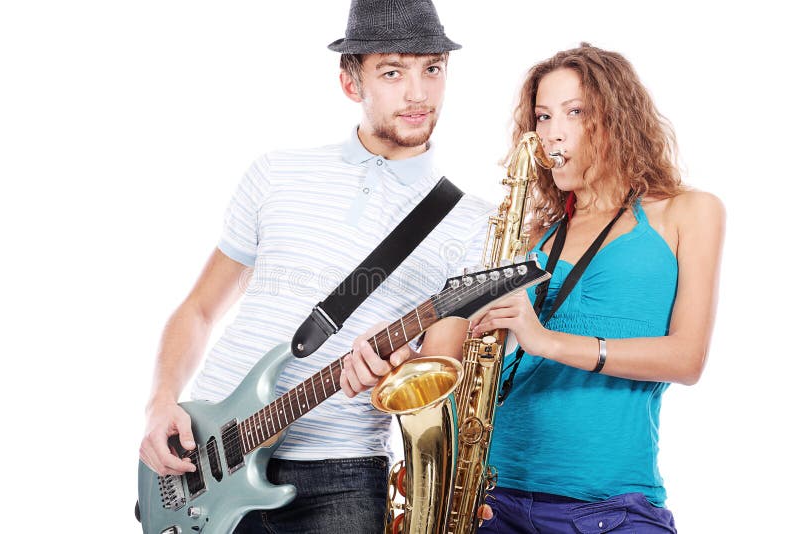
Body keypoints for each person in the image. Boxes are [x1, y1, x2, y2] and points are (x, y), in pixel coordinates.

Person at [137, 1, 493, 532]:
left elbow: (435, 377)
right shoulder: (277, 173)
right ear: (351, 83)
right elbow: (199, 310)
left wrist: (391, 370)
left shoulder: (472, 223)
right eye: (392, 71)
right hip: (203, 457)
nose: (418, 93)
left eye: (432, 68)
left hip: (343, 476)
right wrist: (160, 400)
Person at [465, 43, 726, 533]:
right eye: (542, 117)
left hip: (612, 509)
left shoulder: (688, 211)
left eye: (574, 112)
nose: (552, 133)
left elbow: (687, 358)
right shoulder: (529, 233)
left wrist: (547, 340)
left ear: (617, 118)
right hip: (490, 501)